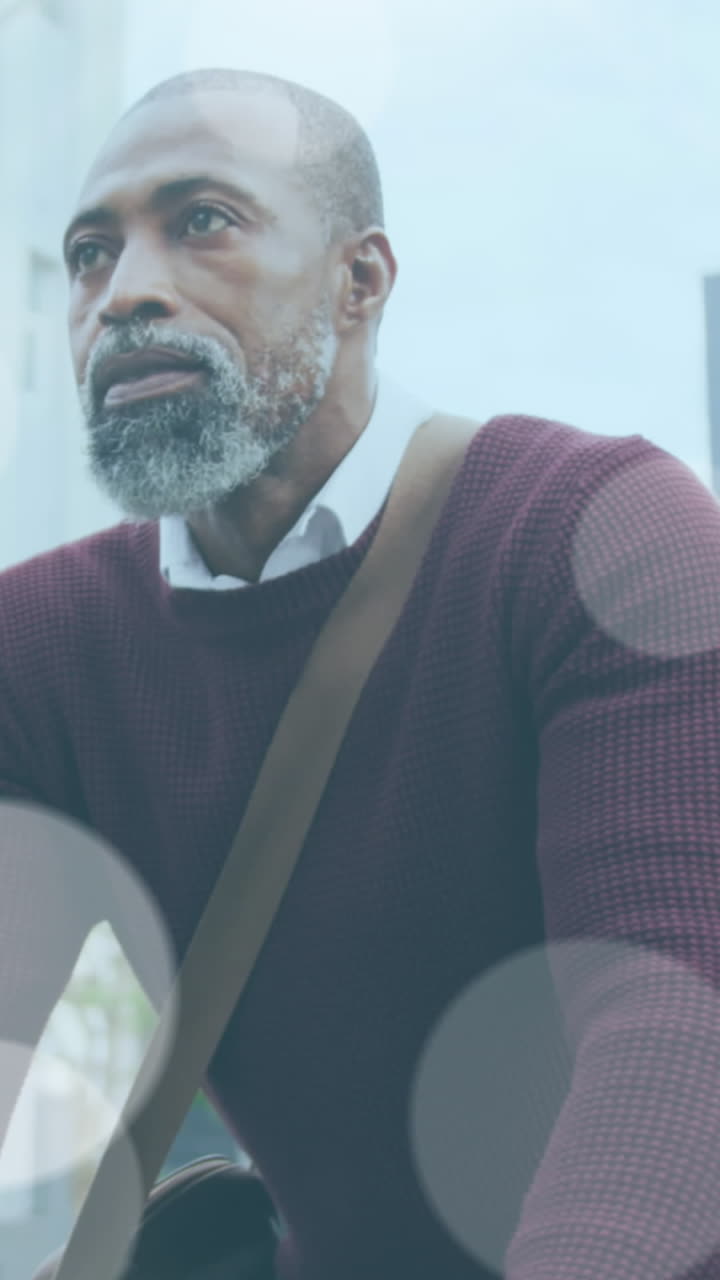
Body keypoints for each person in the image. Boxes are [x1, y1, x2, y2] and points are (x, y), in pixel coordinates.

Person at [2, 66, 720, 1280]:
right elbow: (40, 1070)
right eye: (88, 253)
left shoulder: (599, 534)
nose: (125, 293)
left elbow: (672, 1033)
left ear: (360, 280)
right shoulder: (40, 645)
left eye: (202, 222)